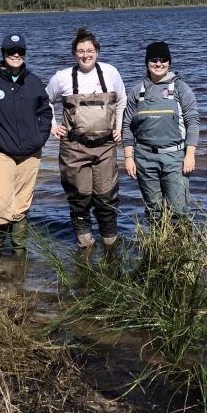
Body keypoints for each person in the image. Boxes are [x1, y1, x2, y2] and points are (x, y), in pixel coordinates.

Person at [0, 33, 52, 267]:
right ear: (3, 54)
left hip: (30, 152)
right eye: (10, 51)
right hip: (0, 152)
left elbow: (45, 112)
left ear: (24, 54)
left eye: (19, 51)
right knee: (1, 206)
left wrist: (41, 137)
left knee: (21, 205)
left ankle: (19, 252)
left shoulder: (34, 82)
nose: (15, 55)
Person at [45, 27, 127, 250]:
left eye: (90, 50)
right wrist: (53, 126)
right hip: (74, 148)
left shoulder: (110, 72)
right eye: (80, 51)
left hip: (105, 147)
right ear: (74, 53)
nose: (85, 55)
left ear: (97, 52)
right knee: (79, 197)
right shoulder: (62, 77)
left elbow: (122, 101)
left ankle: (110, 244)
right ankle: (85, 246)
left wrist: (119, 127)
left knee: (106, 197)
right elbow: (44, 101)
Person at [123, 41, 200, 222]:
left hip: (175, 158)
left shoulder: (181, 89)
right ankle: (156, 246)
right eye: (153, 60)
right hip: (144, 158)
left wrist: (190, 155)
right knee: (153, 211)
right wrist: (128, 158)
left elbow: (193, 123)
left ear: (169, 62)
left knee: (179, 211)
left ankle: (181, 246)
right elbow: (126, 125)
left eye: (163, 59)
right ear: (147, 63)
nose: (158, 64)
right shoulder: (137, 91)